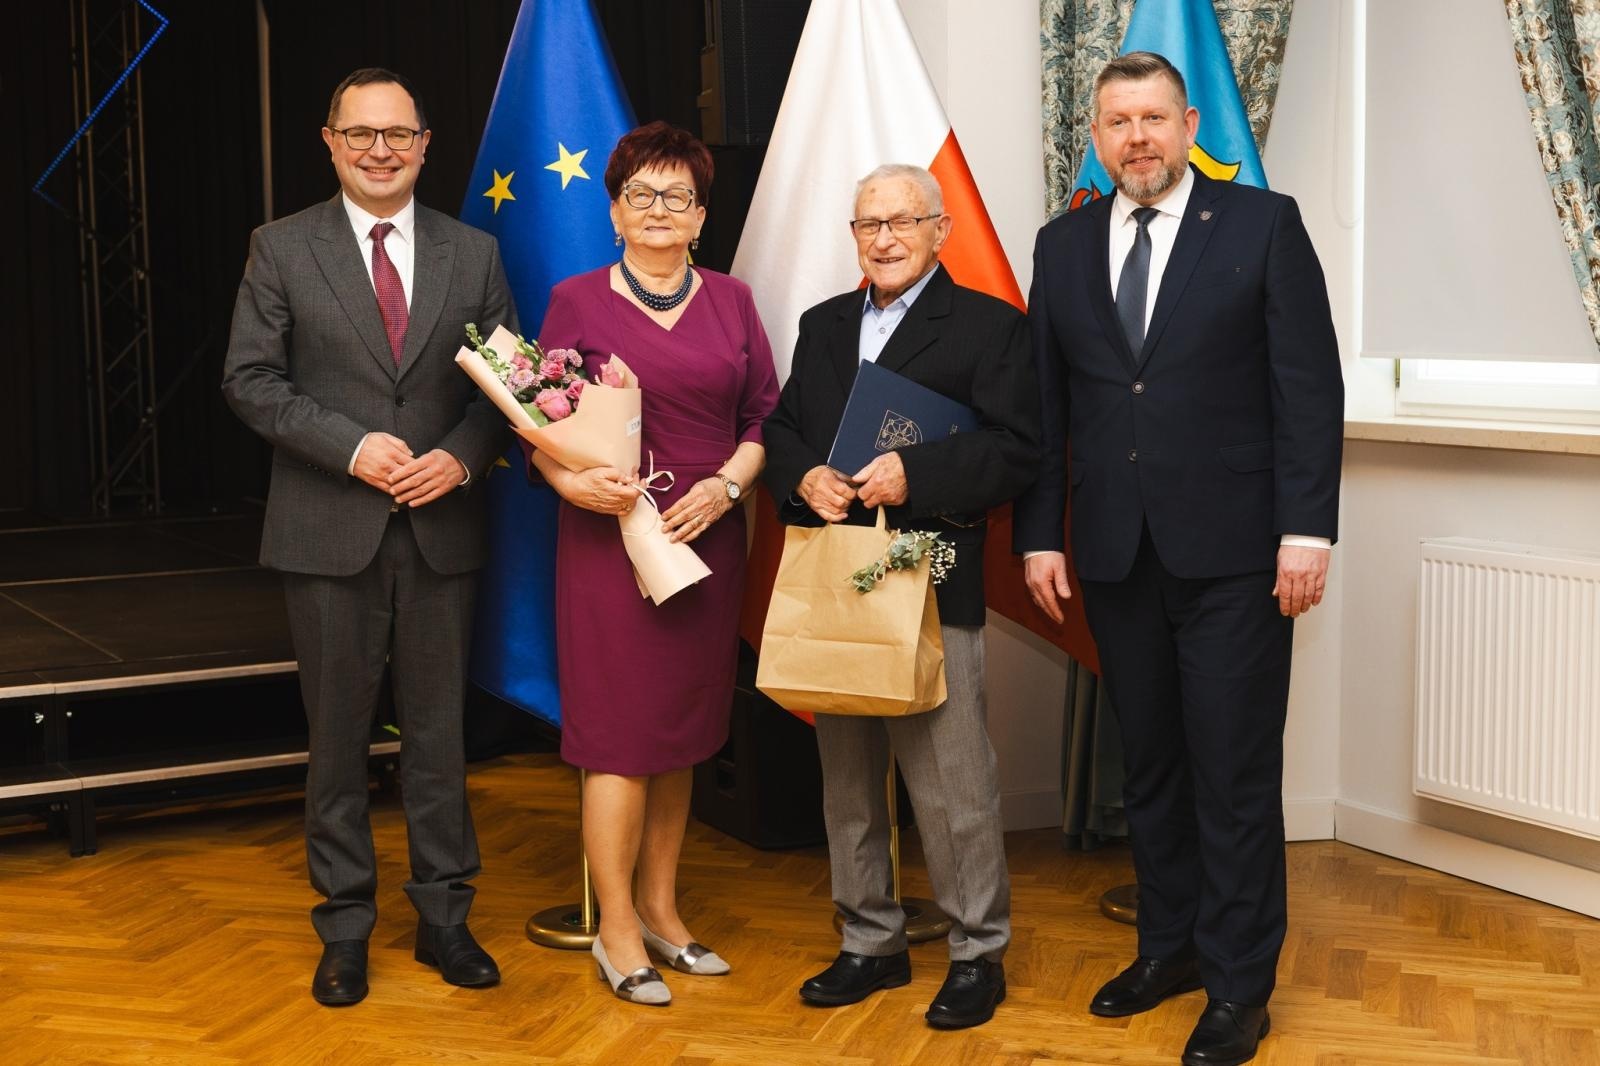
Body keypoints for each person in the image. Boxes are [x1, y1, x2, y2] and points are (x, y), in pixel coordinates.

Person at [1015, 52, 1343, 1066]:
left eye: (1153, 117)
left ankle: (1240, 985)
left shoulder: (1260, 224)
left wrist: (1307, 529)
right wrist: (1036, 533)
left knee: (1232, 774)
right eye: (1117, 122)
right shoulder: (1061, 244)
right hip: (1115, 553)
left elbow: (1307, 387)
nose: (1137, 138)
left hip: (1240, 557)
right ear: (1098, 135)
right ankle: (1170, 951)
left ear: (1187, 119)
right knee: (1149, 769)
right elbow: (1045, 408)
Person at [222, 67, 512, 1007]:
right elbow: (251, 380)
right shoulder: (281, 247)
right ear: (331, 141)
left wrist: (461, 460)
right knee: (338, 742)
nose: (380, 149)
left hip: (441, 532)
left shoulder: (475, 253)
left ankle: (444, 921)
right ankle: (344, 927)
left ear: (426, 144)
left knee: (439, 738)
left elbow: (512, 389)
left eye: (398, 133)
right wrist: (352, 450)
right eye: (361, 134)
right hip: (326, 533)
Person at [761, 163, 1040, 1031]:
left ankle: (975, 953)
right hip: (836, 573)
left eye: (901, 221)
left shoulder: (992, 328)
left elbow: (1020, 450)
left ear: (939, 230)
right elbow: (781, 428)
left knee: (952, 778)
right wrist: (804, 472)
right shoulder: (824, 324)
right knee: (847, 779)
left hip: (931, 572)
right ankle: (869, 941)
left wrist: (913, 474)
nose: (883, 237)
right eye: (867, 223)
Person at [531, 121, 779, 1006]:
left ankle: (666, 912)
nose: (659, 210)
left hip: (707, 539)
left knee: (680, 736)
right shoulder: (574, 302)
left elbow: (764, 419)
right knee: (619, 741)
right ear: (615, 211)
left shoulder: (734, 301)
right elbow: (537, 428)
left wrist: (727, 487)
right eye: (642, 194)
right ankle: (617, 928)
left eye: (678, 196)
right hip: (611, 546)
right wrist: (571, 484)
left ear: (703, 216)